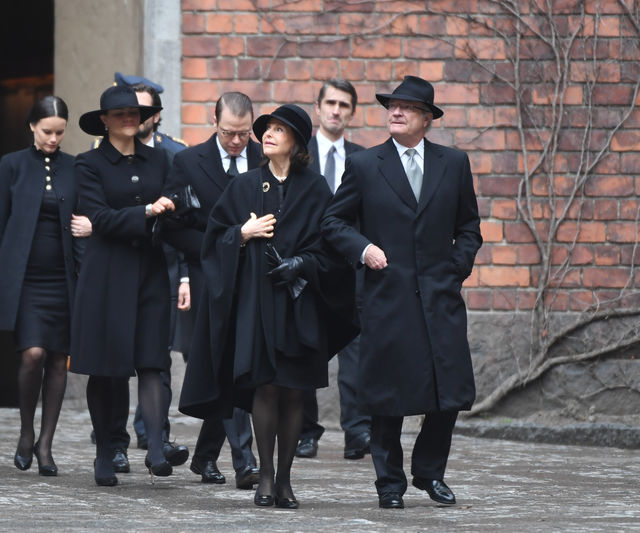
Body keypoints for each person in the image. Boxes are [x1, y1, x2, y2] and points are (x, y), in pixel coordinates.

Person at [179, 104, 356, 509]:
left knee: (294, 391)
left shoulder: (315, 189)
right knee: (266, 385)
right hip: (257, 305)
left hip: (300, 303)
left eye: (280, 130)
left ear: (296, 142)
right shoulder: (243, 186)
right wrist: (242, 233)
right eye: (268, 129)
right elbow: (213, 240)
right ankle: (266, 477)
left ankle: (287, 480)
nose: (269, 135)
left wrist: (302, 263)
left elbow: (331, 246)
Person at [321, 76, 482, 509]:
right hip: (386, 299)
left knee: (449, 393)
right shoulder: (365, 165)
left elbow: (468, 228)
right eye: (392, 105)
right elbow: (333, 223)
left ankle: (429, 473)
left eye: (408, 107)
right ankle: (389, 484)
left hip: (439, 298)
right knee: (386, 397)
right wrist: (364, 248)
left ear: (427, 118)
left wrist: (454, 269)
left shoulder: (454, 163)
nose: (396, 111)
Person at [70, 85, 176, 487]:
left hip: (149, 270)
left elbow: (173, 206)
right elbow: (97, 216)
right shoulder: (88, 164)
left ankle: (154, 450)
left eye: (134, 112)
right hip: (107, 274)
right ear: (104, 121)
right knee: (107, 368)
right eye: (120, 114)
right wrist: (147, 210)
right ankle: (104, 452)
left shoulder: (160, 160)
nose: (129, 119)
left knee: (152, 362)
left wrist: (167, 210)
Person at [0, 96, 85, 476]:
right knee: (33, 354)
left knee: (59, 359)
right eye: (46, 132)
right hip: (23, 279)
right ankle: (26, 431)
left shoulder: (76, 167)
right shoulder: (11, 165)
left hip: (64, 278)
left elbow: (88, 215)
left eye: (59, 132)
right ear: (31, 127)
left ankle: (46, 444)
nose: (53, 139)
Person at [163, 92, 261, 490]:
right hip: (210, 276)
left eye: (244, 133)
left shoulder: (263, 157)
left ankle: (205, 456)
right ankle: (245, 461)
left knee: (234, 363)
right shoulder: (188, 163)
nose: (237, 141)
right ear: (214, 122)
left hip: (255, 275)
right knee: (226, 360)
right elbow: (173, 227)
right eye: (229, 133)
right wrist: (219, 245)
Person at [296, 79, 369, 461]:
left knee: (356, 352)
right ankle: (306, 431)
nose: (336, 110)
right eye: (330, 103)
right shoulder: (298, 154)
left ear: (352, 112)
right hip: (308, 265)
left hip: (349, 268)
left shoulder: (364, 158)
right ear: (318, 107)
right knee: (307, 347)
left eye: (344, 104)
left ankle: (357, 431)